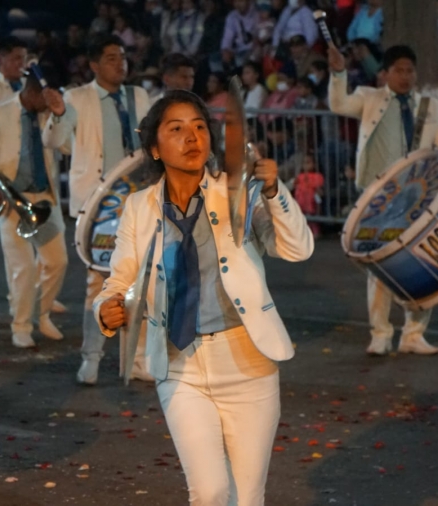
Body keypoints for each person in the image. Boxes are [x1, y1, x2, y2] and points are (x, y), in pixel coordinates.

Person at [95, 90, 313, 506]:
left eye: (199, 127)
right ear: (155, 148)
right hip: (180, 366)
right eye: (176, 129)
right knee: (210, 492)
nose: (192, 137)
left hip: (249, 363)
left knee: (247, 498)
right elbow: (118, 279)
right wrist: (106, 308)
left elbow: (297, 249)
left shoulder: (238, 192)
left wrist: (273, 191)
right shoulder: (139, 207)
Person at [328, 44, 438, 356]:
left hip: (418, 199)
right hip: (378, 201)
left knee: (421, 265)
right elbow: (338, 104)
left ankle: (414, 333)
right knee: (380, 268)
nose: (405, 76)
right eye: (398, 70)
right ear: (385, 73)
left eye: (410, 70)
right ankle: (380, 333)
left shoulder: (429, 106)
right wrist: (338, 72)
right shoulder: (369, 98)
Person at [42, 34, 151, 385]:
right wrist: (57, 116)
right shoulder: (76, 98)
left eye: (122, 57)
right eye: (110, 58)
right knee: (98, 283)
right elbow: (55, 143)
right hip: (99, 208)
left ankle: (136, 360)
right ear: (93, 65)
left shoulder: (139, 95)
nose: (120, 63)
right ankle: (91, 356)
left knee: (142, 284)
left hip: (139, 202)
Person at [0, 78, 68, 348]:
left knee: (58, 261)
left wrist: (58, 115)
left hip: (44, 197)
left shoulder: (48, 112)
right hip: (10, 201)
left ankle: (41, 315)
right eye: (43, 99)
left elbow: (63, 146)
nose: (46, 104)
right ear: (31, 93)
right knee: (23, 268)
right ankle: (21, 325)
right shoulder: (0, 113)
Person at [221, 0, 260, 69]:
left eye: (241, 1)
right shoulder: (232, 16)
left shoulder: (257, 13)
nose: (238, 4)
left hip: (252, 50)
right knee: (214, 61)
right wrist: (225, 50)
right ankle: (232, 79)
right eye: (235, 2)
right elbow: (227, 37)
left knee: (240, 60)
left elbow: (259, 35)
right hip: (237, 50)